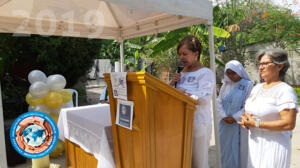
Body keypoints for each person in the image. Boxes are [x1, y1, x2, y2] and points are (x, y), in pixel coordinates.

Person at [238, 49, 298, 168]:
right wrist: (246, 120)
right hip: (255, 144)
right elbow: (250, 111)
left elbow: (289, 124)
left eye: (265, 64)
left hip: (273, 145)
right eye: (260, 64)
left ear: (279, 66)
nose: (261, 67)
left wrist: (257, 124)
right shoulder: (257, 89)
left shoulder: (285, 91)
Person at [169, 35, 214, 168]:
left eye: (185, 54)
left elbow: (204, 98)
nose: (181, 57)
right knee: (184, 160)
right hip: (180, 121)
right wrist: (172, 82)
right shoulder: (181, 73)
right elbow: (168, 92)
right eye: (179, 54)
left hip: (198, 123)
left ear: (196, 54)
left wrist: (184, 94)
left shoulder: (205, 73)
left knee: (198, 161)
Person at [217, 60, 253, 168]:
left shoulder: (248, 85)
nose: (231, 76)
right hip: (224, 124)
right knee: (225, 150)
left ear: (239, 71)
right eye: (228, 73)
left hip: (239, 123)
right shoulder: (225, 85)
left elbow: (249, 104)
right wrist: (223, 116)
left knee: (239, 151)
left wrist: (234, 117)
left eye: (233, 73)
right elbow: (218, 102)